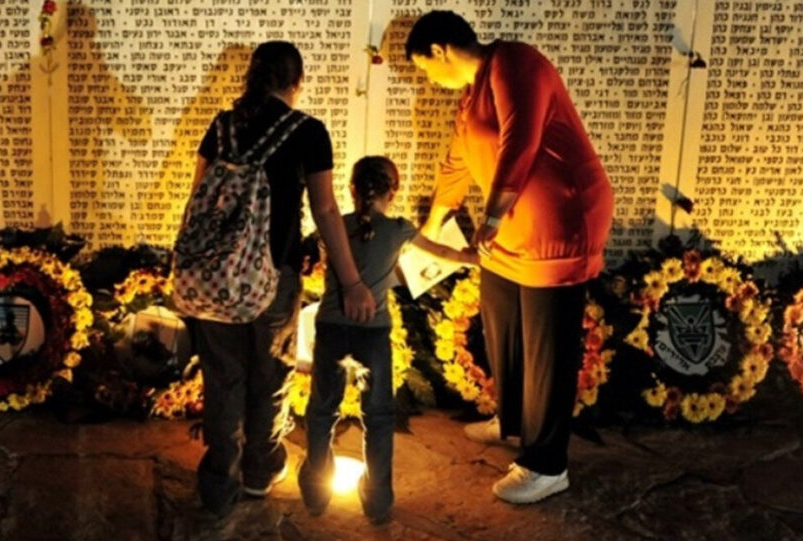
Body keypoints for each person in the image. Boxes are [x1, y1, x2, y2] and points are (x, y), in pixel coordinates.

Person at [405, 11, 614, 504]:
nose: (429, 80)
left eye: (425, 68)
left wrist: (494, 214)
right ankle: (514, 421)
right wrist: (432, 226)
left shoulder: (515, 62)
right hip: (512, 228)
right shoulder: (472, 92)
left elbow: (521, 141)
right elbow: (458, 160)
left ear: (440, 50)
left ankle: (547, 464)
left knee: (547, 345)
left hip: (559, 221)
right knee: (503, 321)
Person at [183, 41, 376, 517]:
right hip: (272, 275)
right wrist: (352, 281)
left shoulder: (222, 126)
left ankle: (218, 483)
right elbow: (325, 209)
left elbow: (197, 199)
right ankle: (259, 470)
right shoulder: (307, 131)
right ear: (297, 82)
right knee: (270, 374)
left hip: (212, 278)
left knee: (222, 376)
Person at [298, 156, 475, 522]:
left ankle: (315, 490)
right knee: (377, 415)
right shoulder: (399, 229)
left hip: (332, 327)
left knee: (322, 410)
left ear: (351, 189)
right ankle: (378, 499)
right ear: (392, 193)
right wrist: (474, 258)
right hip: (373, 333)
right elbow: (443, 252)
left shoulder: (335, 226)